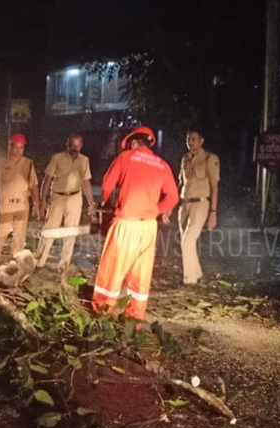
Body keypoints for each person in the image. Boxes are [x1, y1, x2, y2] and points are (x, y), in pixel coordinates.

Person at [91, 126, 179, 323]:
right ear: (149, 144)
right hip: (148, 227)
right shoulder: (162, 165)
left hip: (126, 224)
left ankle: (102, 313)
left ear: (132, 143)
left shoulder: (126, 157)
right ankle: (134, 320)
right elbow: (173, 197)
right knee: (140, 275)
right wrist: (156, 210)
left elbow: (106, 186)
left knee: (112, 270)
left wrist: (106, 203)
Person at [38, 134, 95, 269]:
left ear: (81, 146)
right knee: (50, 228)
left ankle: (64, 264)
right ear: (67, 144)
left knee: (71, 231)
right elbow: (47, 179)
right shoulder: (57, 158)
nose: (75, 148)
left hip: (75, 197)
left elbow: (86, 182)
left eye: (78, 146)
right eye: (72, 145)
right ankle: (39, 260)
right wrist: (43, 199)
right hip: (58, 197)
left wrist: (91, 203)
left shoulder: (84, 161)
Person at [177, 129, 221, 285]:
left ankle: (189, 280)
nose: (190, 142)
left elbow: (214, 186)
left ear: (201, 140)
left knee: (188, 242)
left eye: (194, 139)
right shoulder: (185, 159)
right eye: (188, 139)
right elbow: (181, 183)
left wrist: (213, 213)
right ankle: (197, 274)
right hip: (184, 204)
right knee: (186, 242)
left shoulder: (210, 159)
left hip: (201, 204)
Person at [0, 134, 40, 256]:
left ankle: (16, 263)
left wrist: (36, 203)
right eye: (15, 147)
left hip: (22, 205)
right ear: (10, 146)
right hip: (6, 205)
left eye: (21, 148)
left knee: (19, 237)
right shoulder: (2, 163)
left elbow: (33, 186)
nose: (18, 150)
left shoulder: (28, 164)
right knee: (1, 234)